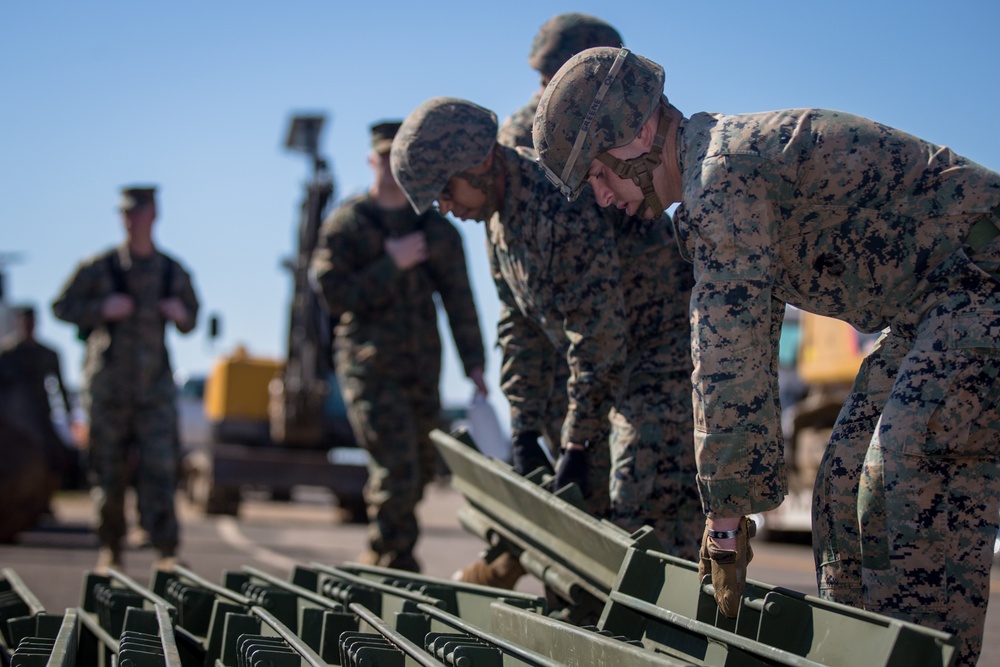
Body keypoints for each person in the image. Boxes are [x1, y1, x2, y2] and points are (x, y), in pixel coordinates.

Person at [532, 46, 1000, 665]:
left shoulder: (724, 176)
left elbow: (730, 354)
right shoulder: (719, 182)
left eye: (597, 173)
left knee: (903, 478)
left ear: (640, 131)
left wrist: (724, 523)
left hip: (982, 288)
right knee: (840, 488)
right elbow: (741, 342)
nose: (602, 196)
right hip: (934, 309)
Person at [390, 98, 701, 582]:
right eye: (436, 203)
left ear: (479, 162)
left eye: (446, 192)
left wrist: (577, 443)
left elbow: (597, 335)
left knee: (644, 499)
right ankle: (579, 604)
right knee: (582, 505)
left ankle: (665, 631)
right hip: (613, 363)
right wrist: (524, 426)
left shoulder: (555, 201)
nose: (446, 209)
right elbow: (518, 324)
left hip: (663, 355)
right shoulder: (499, 221)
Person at [310, 120, 488, 573]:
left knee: (422, 467)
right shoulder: (349, 224)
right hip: (368, 367)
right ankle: (396, 560)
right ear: (371, 161)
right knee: (396, 465)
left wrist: (476, 365)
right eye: (383, 159)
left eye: (398, 159)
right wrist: (391, 264)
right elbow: (333, 297)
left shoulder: (434, 229)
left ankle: (382, 548)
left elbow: (459, 300)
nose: (390, 169)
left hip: (422, 368)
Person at [52, 185, 200, 573]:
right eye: (125, 213)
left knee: (160, 470)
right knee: (108, 472)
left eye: (138, 212)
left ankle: (166, 550)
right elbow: (61, 306)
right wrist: (101, 307)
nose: (131, 219)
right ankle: (110, 549)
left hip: (154, 392)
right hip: (108, 390)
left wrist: (181, 313)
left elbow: (193, 317)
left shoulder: (170, 270)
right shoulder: (100, 267)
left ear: (153, 215)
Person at [0, 305, 78, 502]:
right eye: (24, 321)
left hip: (42, 413)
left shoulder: (48, 353)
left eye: (31, 321)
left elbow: (61, 385)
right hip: (14, 417)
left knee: (54, 456)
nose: (28, 326)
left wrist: (70, 415)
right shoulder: (7, 354)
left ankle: (45, 499)